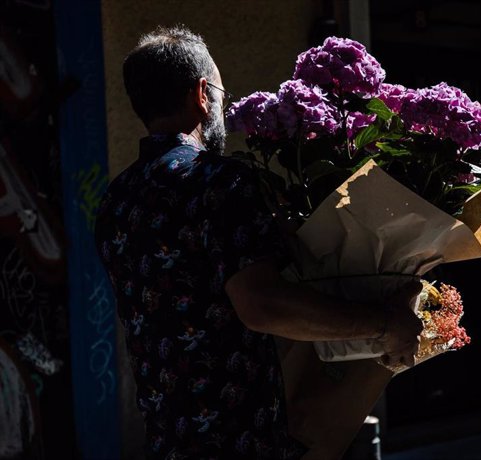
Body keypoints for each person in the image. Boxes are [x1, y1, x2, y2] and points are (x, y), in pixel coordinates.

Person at [94, 26, 423, 460]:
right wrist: (384, 325)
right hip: (239, 441)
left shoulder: (115, 200)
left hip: (167, 441)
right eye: (221, 93)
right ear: (201, 93)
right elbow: (262, 305)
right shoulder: (220, 181)